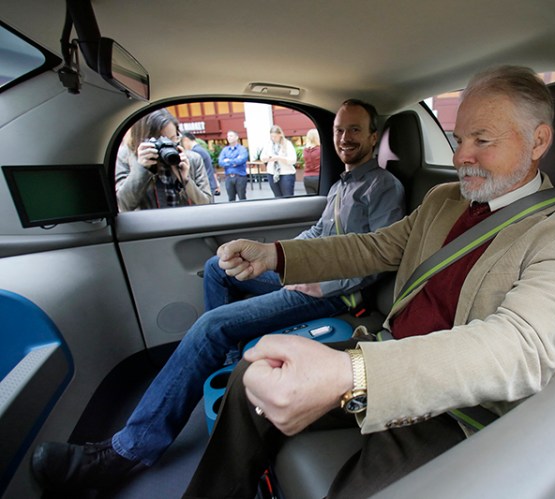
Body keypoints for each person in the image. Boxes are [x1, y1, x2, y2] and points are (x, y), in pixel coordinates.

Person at [180, 65, 555, 498]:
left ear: (538, 141)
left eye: (481, 140)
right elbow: (369, 248)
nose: (460, 156)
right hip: (383, 352)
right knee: (250, 376)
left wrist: (352, 374)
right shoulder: (444, 199)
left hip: (455, 410)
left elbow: (521, 347)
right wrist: (276, 255)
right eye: (458, 139)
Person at [30, 98, 406, 492]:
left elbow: (377, 259)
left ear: (374, 136)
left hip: (337, 294)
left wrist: (317, 282)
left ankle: (127, 450)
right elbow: (318, 236)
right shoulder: (343, 184)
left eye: (355, 130)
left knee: (212, 325)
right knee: (217, 268)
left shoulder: (384, 188)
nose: (344, 138)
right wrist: (283, 260)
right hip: (310, 278)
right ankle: (227, 368)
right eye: (339, 130)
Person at [115, 109, 212, 211]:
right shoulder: (126, 157)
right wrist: (142, 170)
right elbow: (122, 206)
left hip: (187, 224)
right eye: (160, 141)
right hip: (150, 225)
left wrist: (186, 180)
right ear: (143, 139)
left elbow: (206, 204)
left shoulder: (192, 159)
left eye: (173, 138)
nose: (167, 145)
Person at [260, 125, 297, 197]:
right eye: (272, 136)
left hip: (286, 173)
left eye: (275, 136)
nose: (273, 138)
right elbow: (262, 157)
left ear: (280, 135)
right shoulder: (268, 144)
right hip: (272, 173)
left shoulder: (287, 144)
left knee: (287, 196)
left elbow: (293, 160)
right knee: (277, 196)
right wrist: (268, 158)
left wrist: (279, 158)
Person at [182, 132, 221, 197]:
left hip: (204, 185)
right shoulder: (201, 149)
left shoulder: (195, 152)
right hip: (208, 184)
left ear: (186, 140)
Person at [218, 130, 249, 201]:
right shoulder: (225, 150)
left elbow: (241, 160)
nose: (229, 138)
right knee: (231, 198)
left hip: (240, 176)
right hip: (228, 177)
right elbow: (221, 162)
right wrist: (234, 161)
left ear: (236, 137)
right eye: (228, 136)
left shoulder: (242, 149)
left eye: (231, 136)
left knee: (242, 197)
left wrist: (228, 160)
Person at [302, 128, 321, 194]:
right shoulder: (320, 150)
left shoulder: (305, 150)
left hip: (307, 177)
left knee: (312, 199)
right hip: (318, 177)